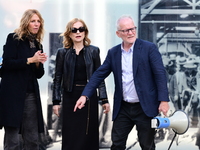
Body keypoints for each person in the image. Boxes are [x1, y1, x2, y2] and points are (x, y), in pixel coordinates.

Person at [74, 15, 170, 150]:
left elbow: (160, 75)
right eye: (126, 30)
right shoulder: (113, 53)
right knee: (117, 145)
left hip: (145, 107)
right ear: (118, 34)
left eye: (132, 29)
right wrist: (85, 95)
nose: (130, 33)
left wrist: (163, 100)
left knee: (147, 145)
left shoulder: (149, 48)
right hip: (123, 108)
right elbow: (99, 75)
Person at [52, 18, 110, 150]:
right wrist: (56, 101)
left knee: (88, 134)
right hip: (70, 96)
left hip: (89, 97)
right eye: (74, 30)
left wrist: (104, 99)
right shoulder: (62, 53)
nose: (78, 32)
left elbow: (99, 77)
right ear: (69, 33)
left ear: (85, 32)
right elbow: (57, 78)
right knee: (71, 135)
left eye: (81, 29)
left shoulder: (94, 51)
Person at [0, 9, 47, 150]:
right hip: (12, 95)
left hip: (31, 94)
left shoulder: (38, 44)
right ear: (26, 22)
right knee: (13, 140)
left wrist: (38, 63)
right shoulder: (14, 39)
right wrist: (30, 60)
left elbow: (39, 74)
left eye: (38, 21)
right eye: (33, 21)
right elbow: (6, 65)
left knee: (32, 139)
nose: (36, 24)